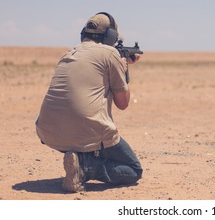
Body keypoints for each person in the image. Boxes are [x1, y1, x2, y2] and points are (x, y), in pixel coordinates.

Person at [35, 12, 143, 193]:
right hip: (87, 131)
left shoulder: (68, 54)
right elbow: (123, 103)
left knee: (85, 133)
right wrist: (123, 71)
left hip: (48, 132)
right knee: (134, 170)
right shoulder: (110, 54)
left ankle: (80, 160)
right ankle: (86, 168)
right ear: (110, 37)